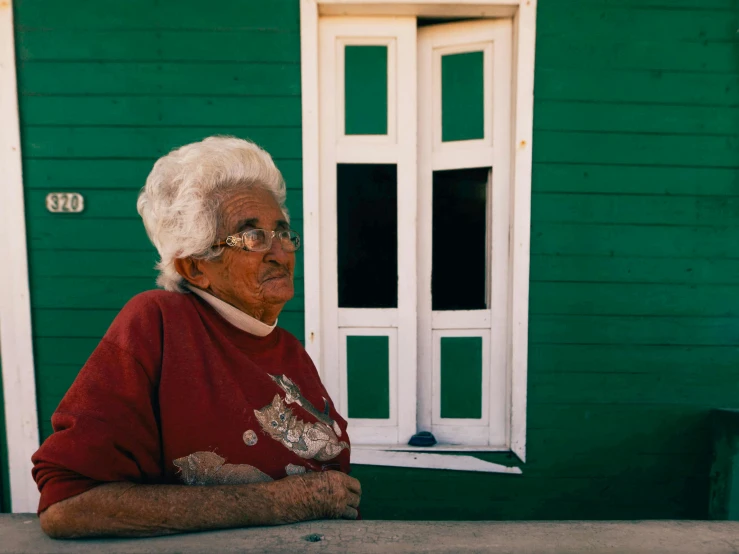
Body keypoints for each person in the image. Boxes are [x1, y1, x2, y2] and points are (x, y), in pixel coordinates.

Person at [31, 136, 361, 538]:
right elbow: (68, 506)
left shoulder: (285, 347)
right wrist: (276, 503)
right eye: (253, 236)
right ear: (194, 267)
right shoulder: (158, 324)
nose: (280, 252)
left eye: (282, 232)